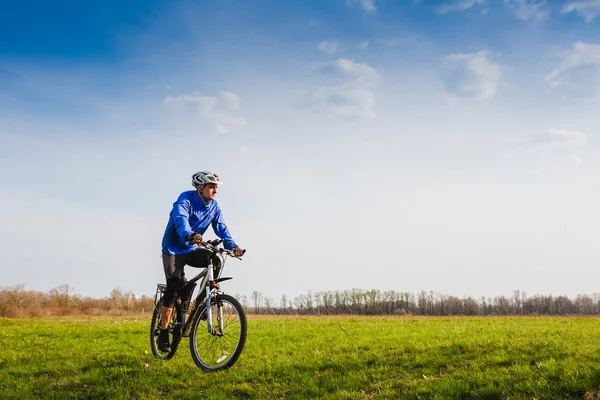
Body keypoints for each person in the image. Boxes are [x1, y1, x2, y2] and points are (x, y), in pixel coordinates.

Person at [157, 171, 244, 352]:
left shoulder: (214, 207)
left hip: (191, 248)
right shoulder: (185, 199)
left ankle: (201, 304)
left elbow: (221, 228)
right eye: (211, 187)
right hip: (173, 249)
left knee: (216, 260)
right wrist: (188, 234)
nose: (215, 190)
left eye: (216, 187)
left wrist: (233, 246)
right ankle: (163, 331)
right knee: (173, 287)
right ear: (200, 187)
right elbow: (180, 219)